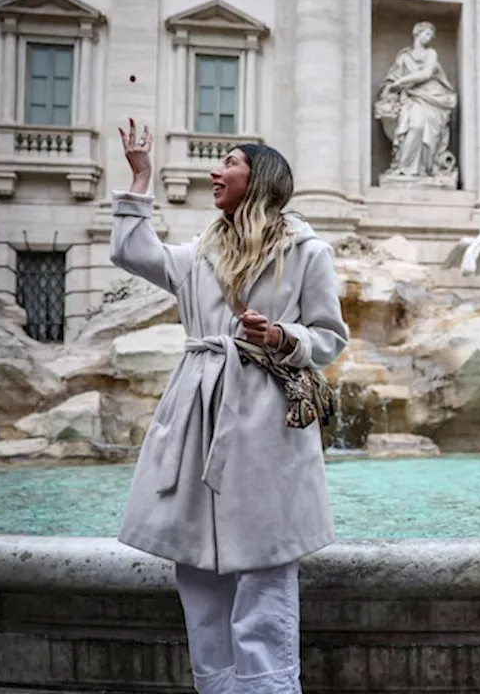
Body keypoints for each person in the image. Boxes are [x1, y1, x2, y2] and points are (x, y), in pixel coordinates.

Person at [109, 119, 349, 693]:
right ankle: (216, 688)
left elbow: (330, 338)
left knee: (265, 563)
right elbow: (133, 251)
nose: (215, 171)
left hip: (264, 415)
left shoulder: (308, 252)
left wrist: (281, 337)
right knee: (193, 560)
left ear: (259, 177)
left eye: (230, 162)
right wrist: (141, 176)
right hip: (197, 409)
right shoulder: (201, 250)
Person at [374, 21, 458, 179]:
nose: (428, 38)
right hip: (412, 98)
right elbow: (392, 78)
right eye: (426, 34)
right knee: (416, 127)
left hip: (432, 98)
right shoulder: (404, 57)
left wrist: (401, 82)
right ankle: (405, 168)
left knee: (426, 131)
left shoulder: (431, 53)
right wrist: (389, 89)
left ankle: (424, 169)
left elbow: (426, 74)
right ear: (416, 33)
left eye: (430, 36)